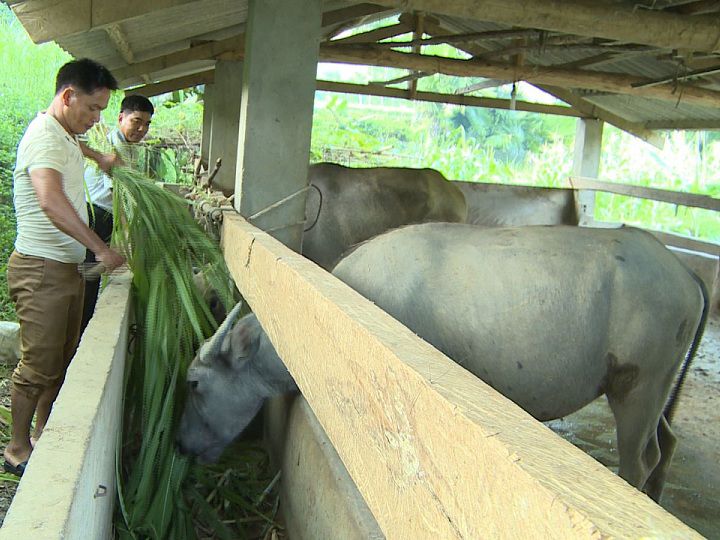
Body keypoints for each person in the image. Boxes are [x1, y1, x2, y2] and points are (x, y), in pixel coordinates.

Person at [3, 58, 125, 476]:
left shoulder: (65, 134)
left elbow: (75, 147)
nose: (96, 118)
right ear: (68, 96)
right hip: (41, 271)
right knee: (38, 366)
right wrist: (101, 250)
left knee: (63, 357)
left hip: (65, 269)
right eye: (93, 109)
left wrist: (99, 157)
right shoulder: (44, 139)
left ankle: (41, 432)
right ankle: (17, 448)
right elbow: (50, 201)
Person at [80, 94, 154, 334]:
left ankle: (84, 324)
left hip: (106, 218)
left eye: (147, 124)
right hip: (96, 217)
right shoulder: (110, 146)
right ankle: (80, 331)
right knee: (88, 280)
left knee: (94, 274)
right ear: (121, 117)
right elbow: (119, 196)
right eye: (136, 121)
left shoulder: (130, 149)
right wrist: (127, 233)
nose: (142, 128)